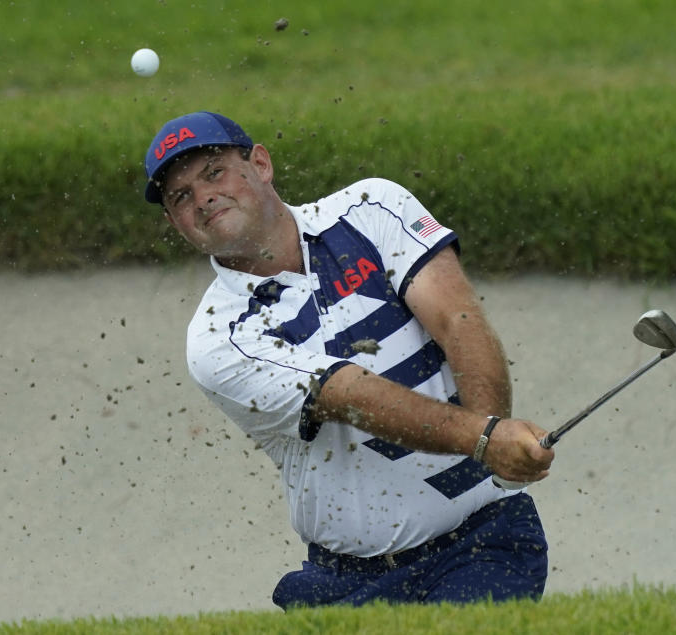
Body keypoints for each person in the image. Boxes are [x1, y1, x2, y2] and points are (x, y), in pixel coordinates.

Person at [142, 111, 556, 609]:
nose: (203, 198)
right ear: (173, 222)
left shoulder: (370, 207)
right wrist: (485, 438)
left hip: (483, 542)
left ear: (261, 164)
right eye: (180, 196)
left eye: (214, 172)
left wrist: (491, 432)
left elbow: (457, 318)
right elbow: (349, 394)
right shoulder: (217, 338)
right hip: (346, 583)